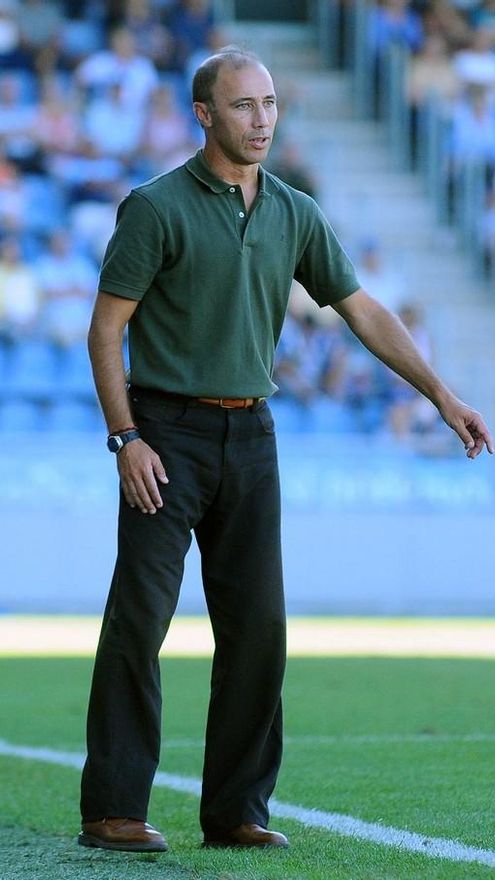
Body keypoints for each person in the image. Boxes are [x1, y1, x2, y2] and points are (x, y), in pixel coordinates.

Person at [79, 46, 493, 855]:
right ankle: (113, 810)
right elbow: (105, 330)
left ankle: (235, 812)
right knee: (140, 619)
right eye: (243, 105)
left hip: (252, 435)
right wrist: (125, 437)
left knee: (259, 630)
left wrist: (441, 396)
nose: (261, 119)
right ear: (204, 114)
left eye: (268, 103)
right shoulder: (155, 208)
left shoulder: (294, 211)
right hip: (164, 435)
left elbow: (361, 309)